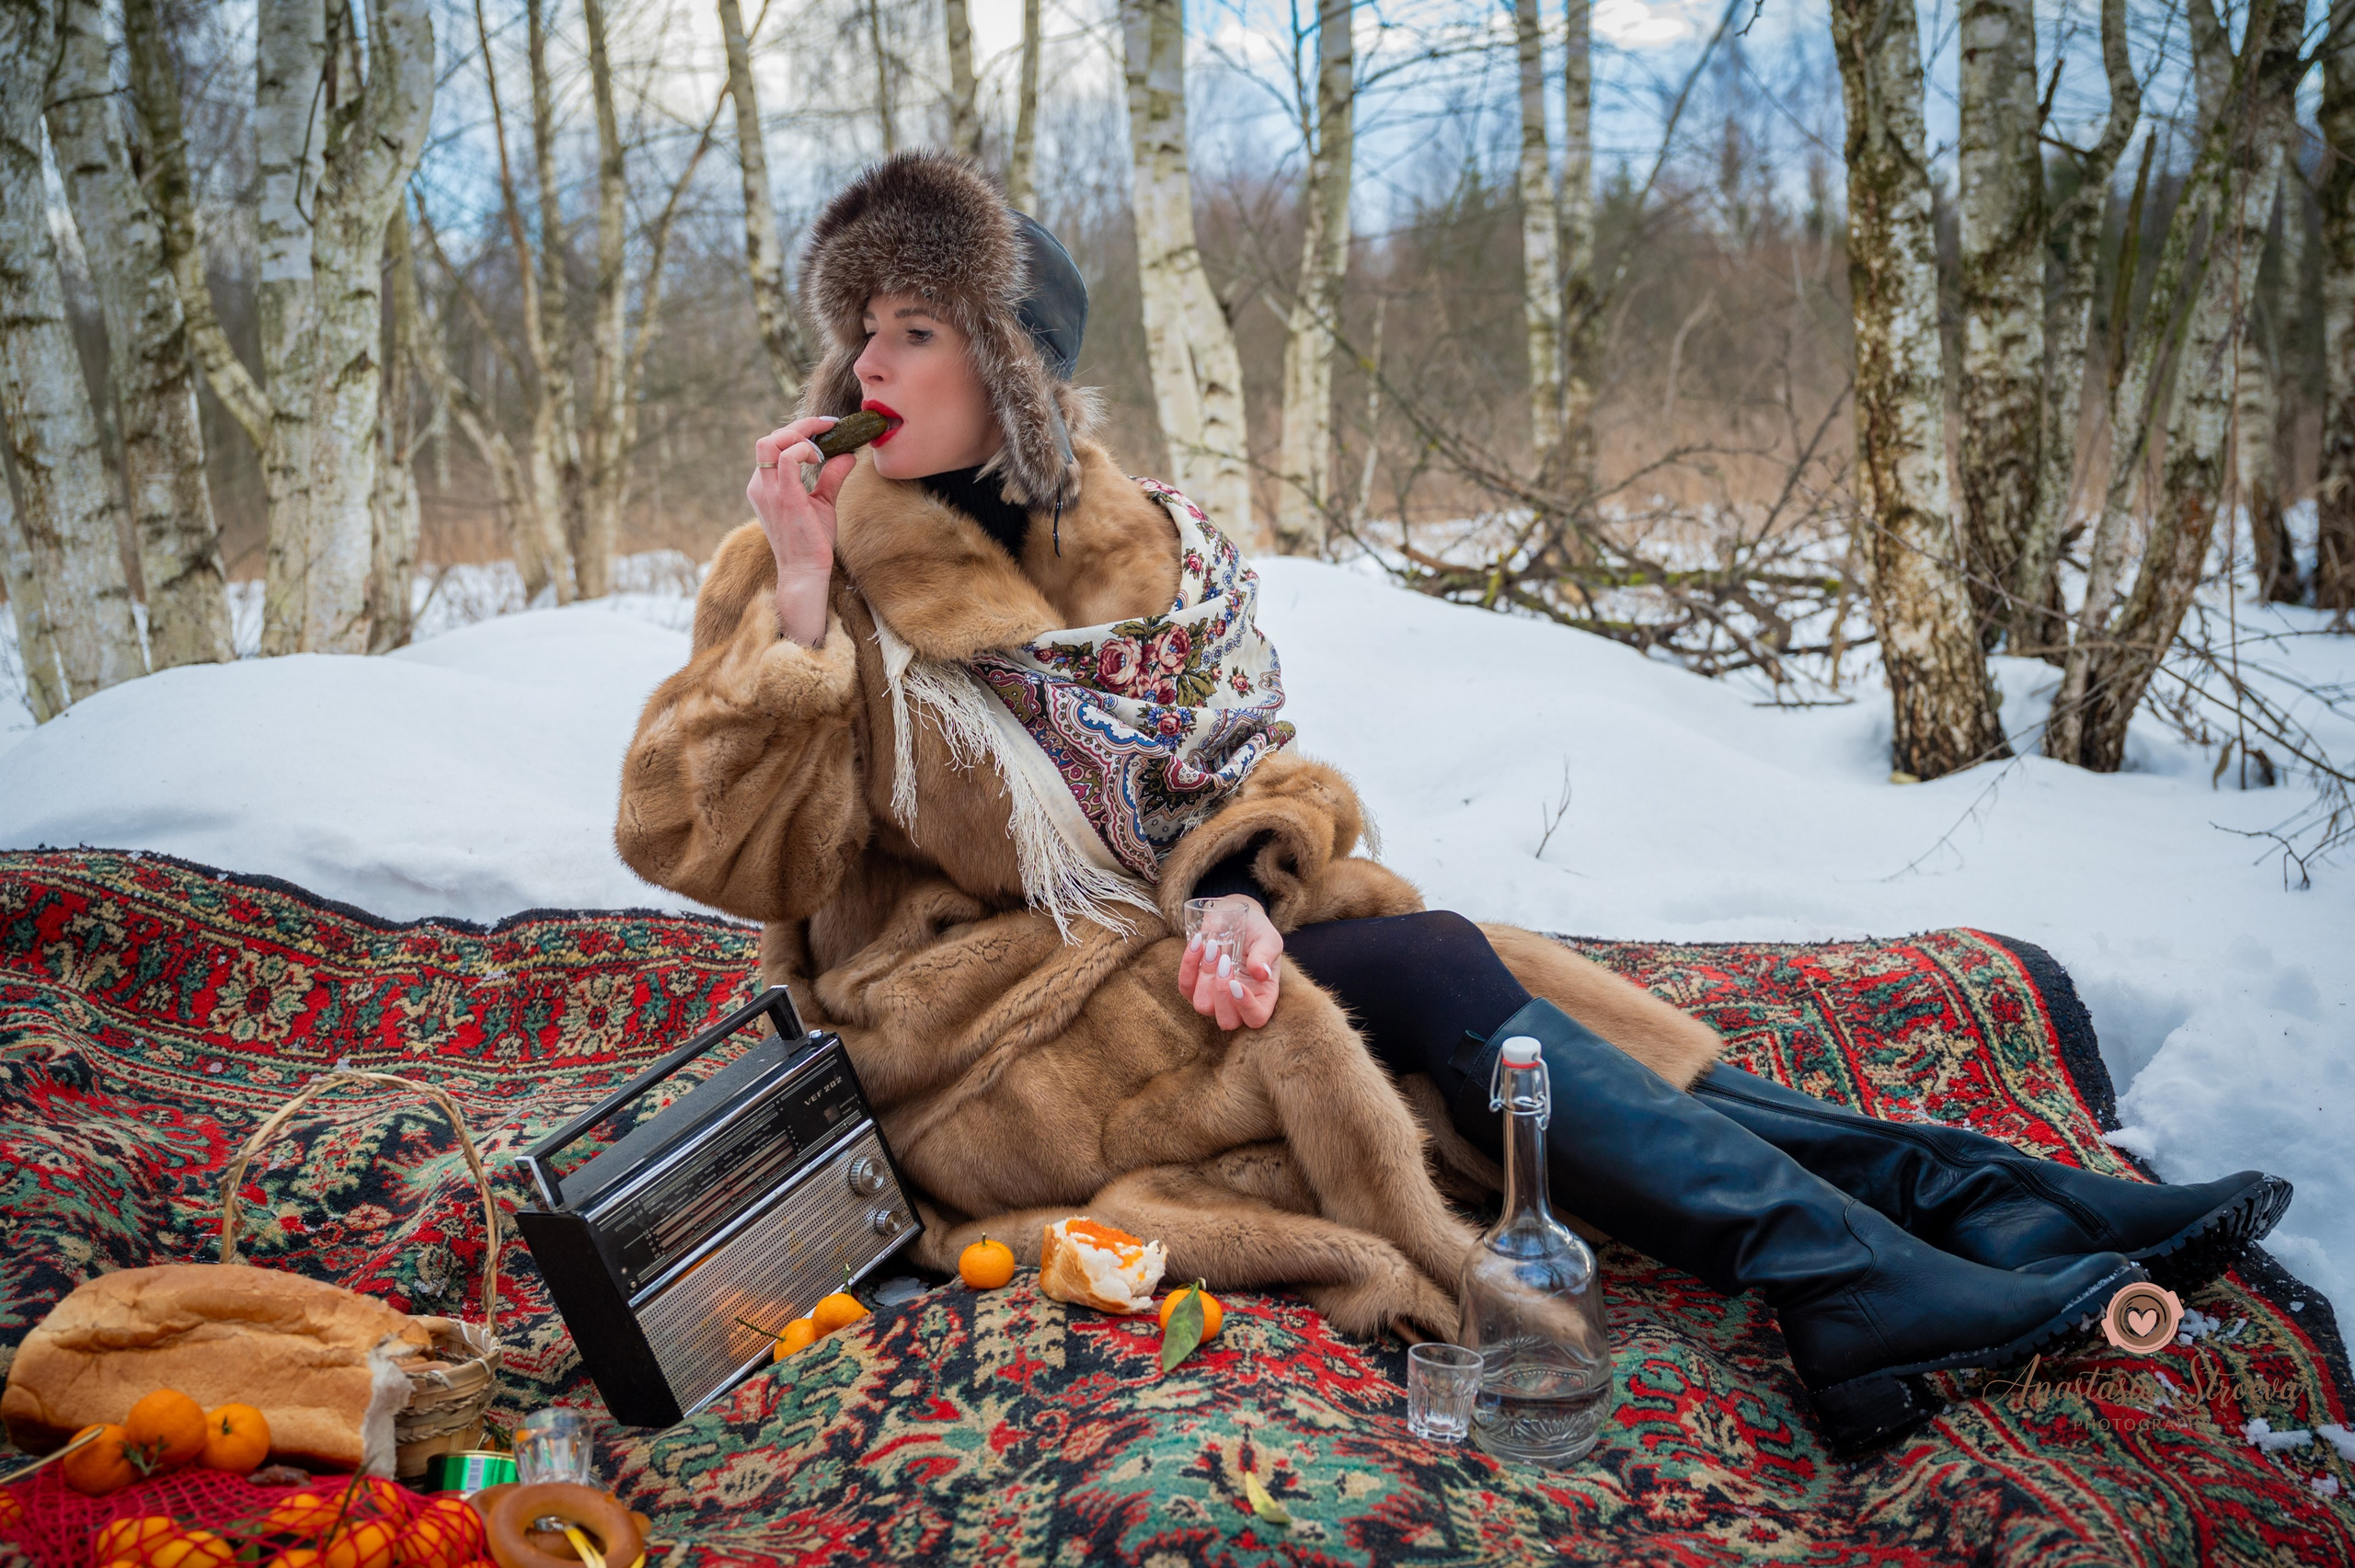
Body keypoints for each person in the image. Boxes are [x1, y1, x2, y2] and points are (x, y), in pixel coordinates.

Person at [614, 152, 2290, 1456]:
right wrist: (811, 615)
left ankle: (1950, 1214)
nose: (871, 363)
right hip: (991, 1032)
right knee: (1422, 975)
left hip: (1166, 945)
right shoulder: (800, 558)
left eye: (918, 326)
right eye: (862, 326)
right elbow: (712, 846)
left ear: (1012, 363)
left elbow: (1254, 767)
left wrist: (1240, 893)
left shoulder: (1146, 544)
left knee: (1426, 955)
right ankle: (1891, 1256)